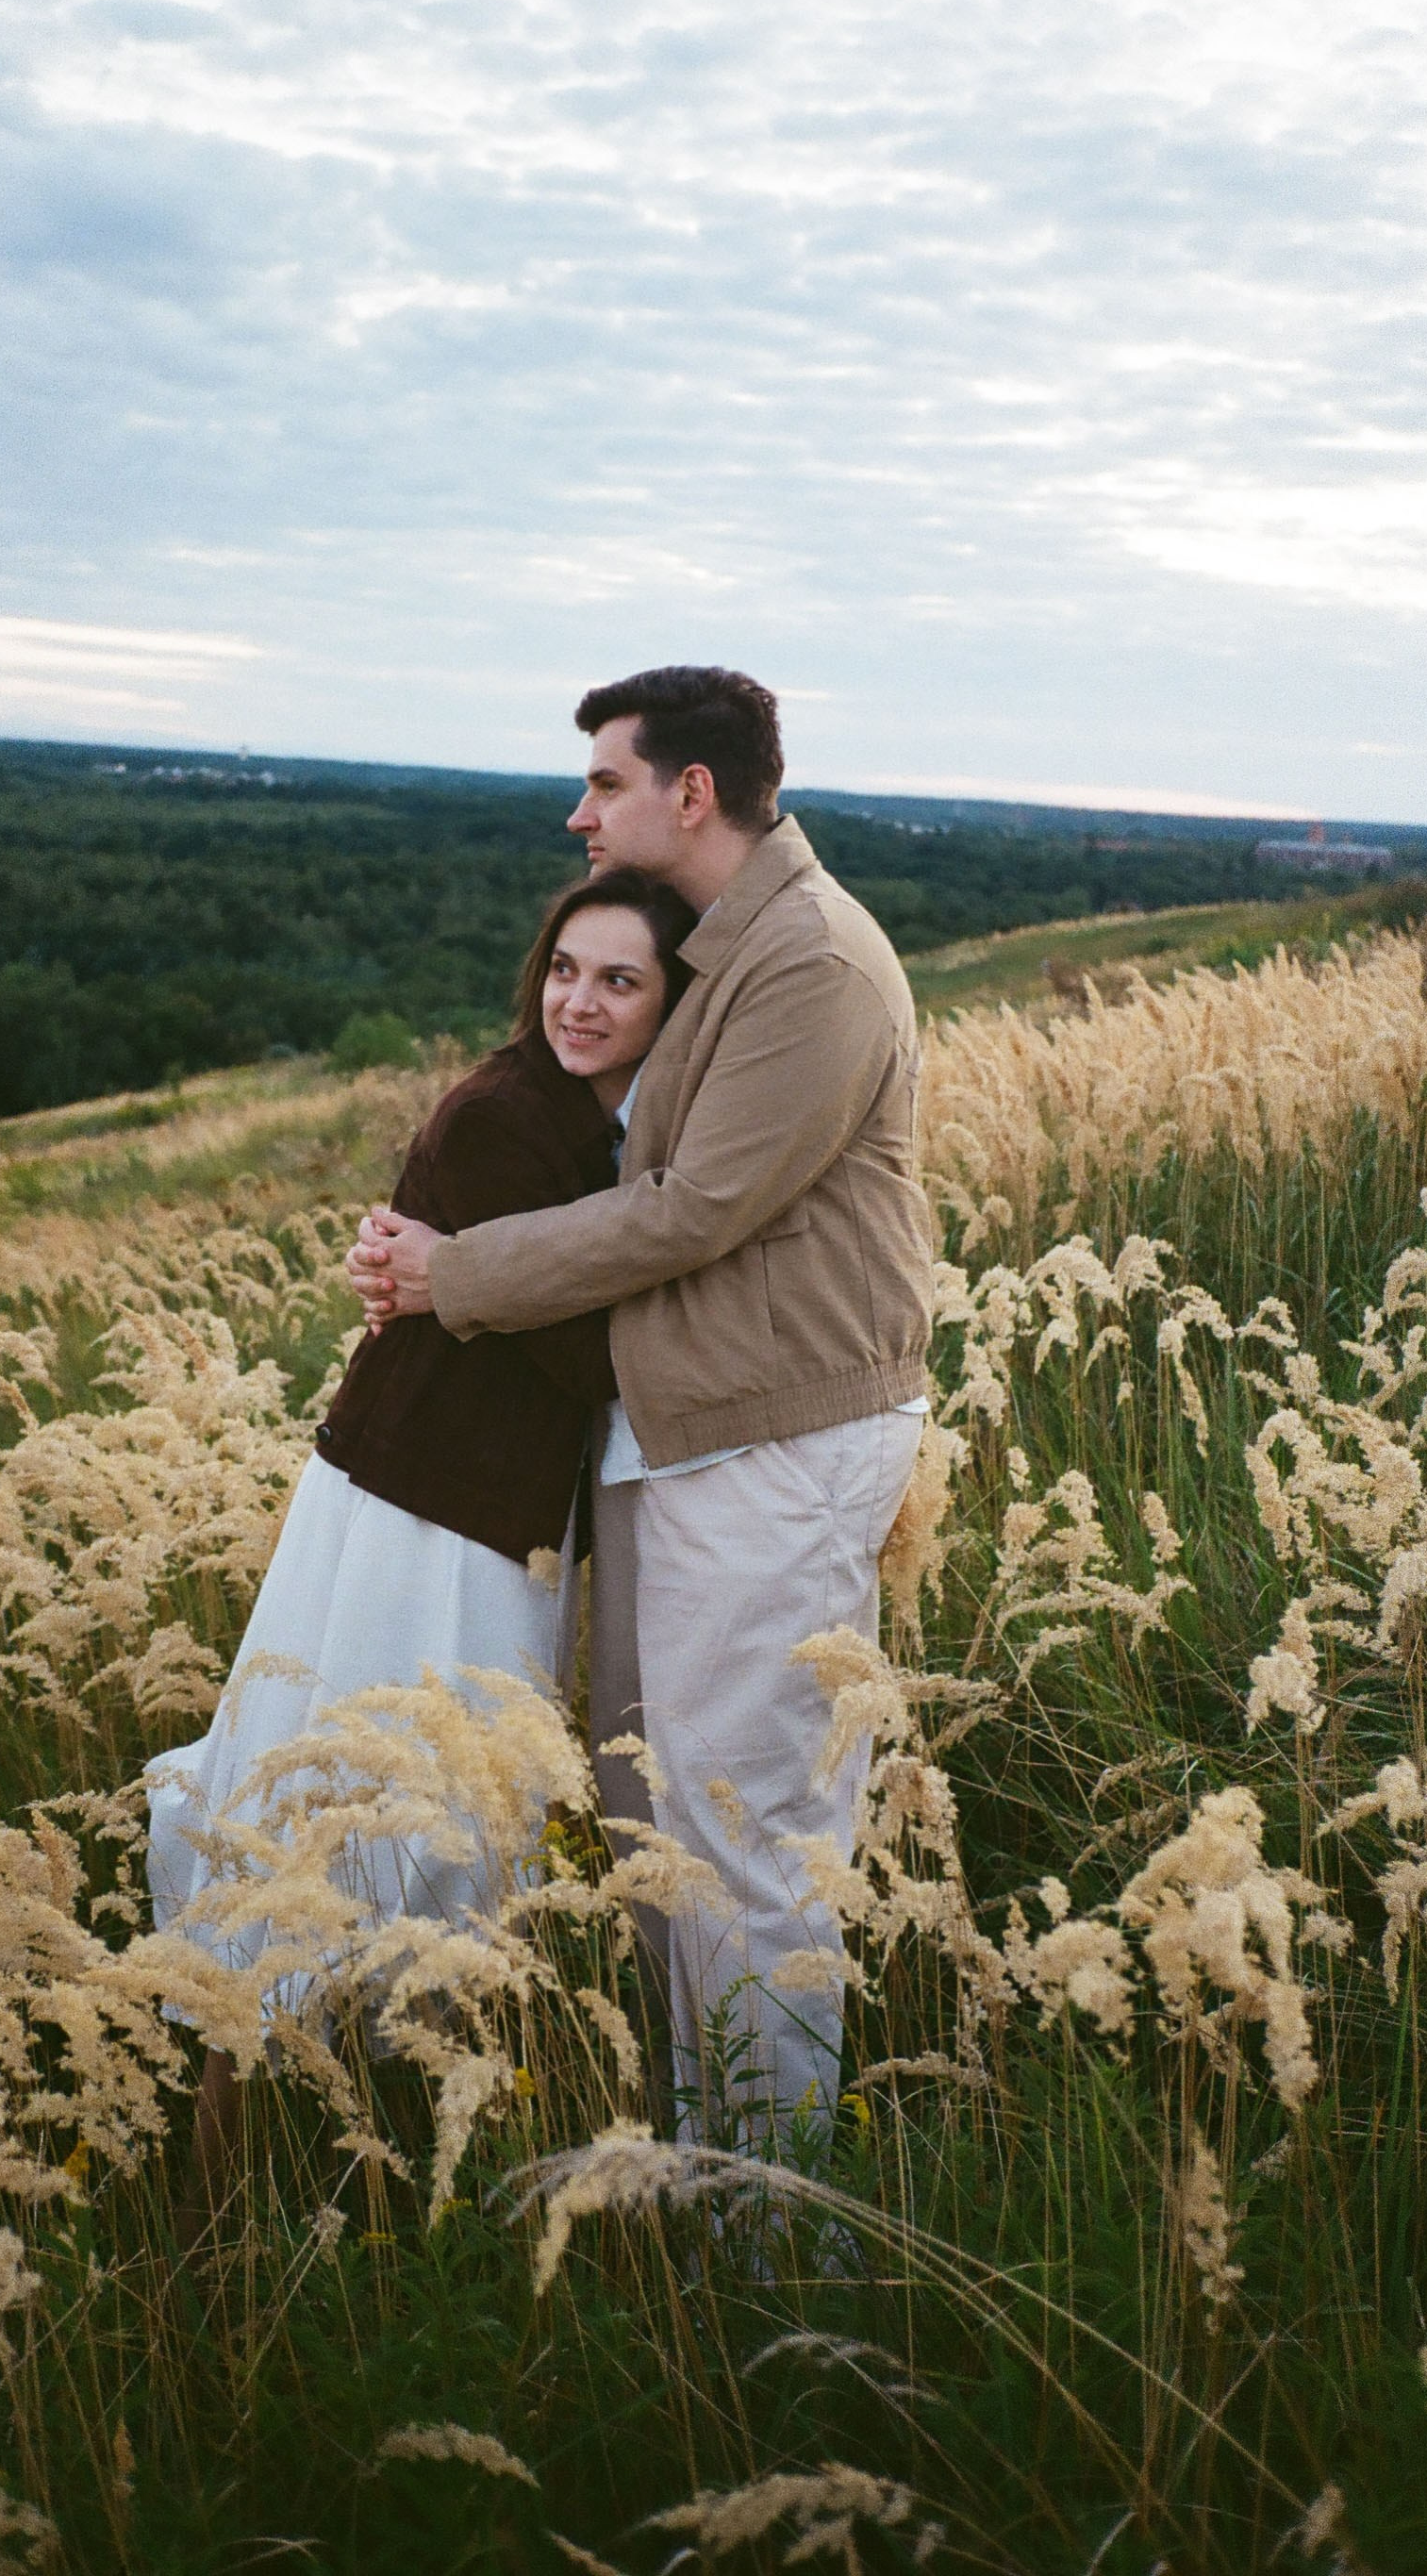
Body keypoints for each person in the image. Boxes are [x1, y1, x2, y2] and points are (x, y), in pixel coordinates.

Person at [351, 666, 936, 2152]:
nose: (577, 811)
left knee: (742, 1845)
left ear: (690, 792)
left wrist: (456, 1274)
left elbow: (693, 1210)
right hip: (693, 1437)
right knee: (658, 1826)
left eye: (604, 783)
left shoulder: (809, 960)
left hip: (776, 1446)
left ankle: (775, 2244)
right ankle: (700, 2179)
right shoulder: (723, 949)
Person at [148, 865, 695, 2217]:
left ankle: (391, 2166)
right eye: (564, 969)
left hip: (483, 1512)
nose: (579, 1000)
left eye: (618, 980)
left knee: (433, 1813)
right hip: (418, 1515)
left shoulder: (600, 1120)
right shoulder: (502, 1121)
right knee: (331, 1807)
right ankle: (219, 2191)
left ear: (672, 1002)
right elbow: (582, 1348)